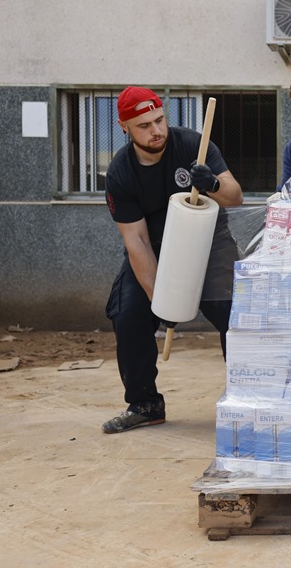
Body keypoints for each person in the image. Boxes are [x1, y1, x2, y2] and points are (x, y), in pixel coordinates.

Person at [103, 87, 243, 434]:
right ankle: (145, 403)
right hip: (157, 248)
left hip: (210, 244)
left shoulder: (194, 145)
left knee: (238, 317)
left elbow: (235, 196)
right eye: (144, 126)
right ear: (125, 128)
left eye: (159, 120)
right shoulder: (121, 173)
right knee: (128, 312)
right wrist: (162, 300)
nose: (156, 131)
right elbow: (135, 240)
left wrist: (210, 182)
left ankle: (247, 400)